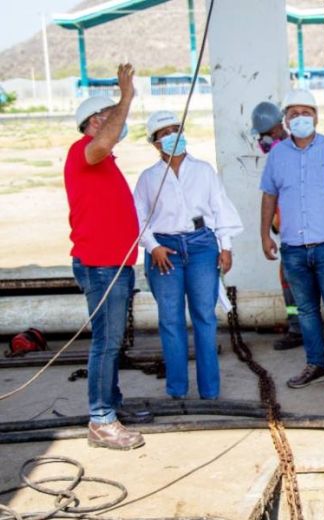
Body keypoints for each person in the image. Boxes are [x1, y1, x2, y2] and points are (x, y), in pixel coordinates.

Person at [134, 110, 243, 400]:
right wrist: (153, 246)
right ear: (155, 143)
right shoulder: (148, 179)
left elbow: (219, 207)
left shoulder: (204, 170)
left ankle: (210, 391)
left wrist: (226, 246)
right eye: (165, 133)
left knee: (204, 317)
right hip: (164, 250)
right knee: (170, 320)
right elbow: (138, 217)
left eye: (176, 129)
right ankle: (177, 390)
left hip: (201, 246)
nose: (172, 136)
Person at [65, 63, 145, 450]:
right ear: (94, 122)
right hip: (101, 266)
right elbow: (101, 144)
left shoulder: (103, 160)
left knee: (111, 341)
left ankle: (110, 405)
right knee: (107, 342)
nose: (118, 121)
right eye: (110, 116)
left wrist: (121, 98)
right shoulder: (85, 151)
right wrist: (126, 97)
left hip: (114, 266)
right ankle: (101, 419)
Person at [259, 89, 324, 389]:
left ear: (316, 117)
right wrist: (264, 236)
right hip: (293, 249)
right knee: (307, 311)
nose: (300, 118)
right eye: (294, 113)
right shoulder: (277, 155)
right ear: (285, 120)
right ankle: (316, 365)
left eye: (306, 112)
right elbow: (269, 196)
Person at [252, 101, 302, 351]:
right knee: (288, 279)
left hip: (298, 232)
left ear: (273, 131)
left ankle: (299, 328)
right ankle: (296, 325)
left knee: (296, 279)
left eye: (263, 135)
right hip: (285, 230)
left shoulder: (289, 151)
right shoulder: (279, 153)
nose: (261, 141)